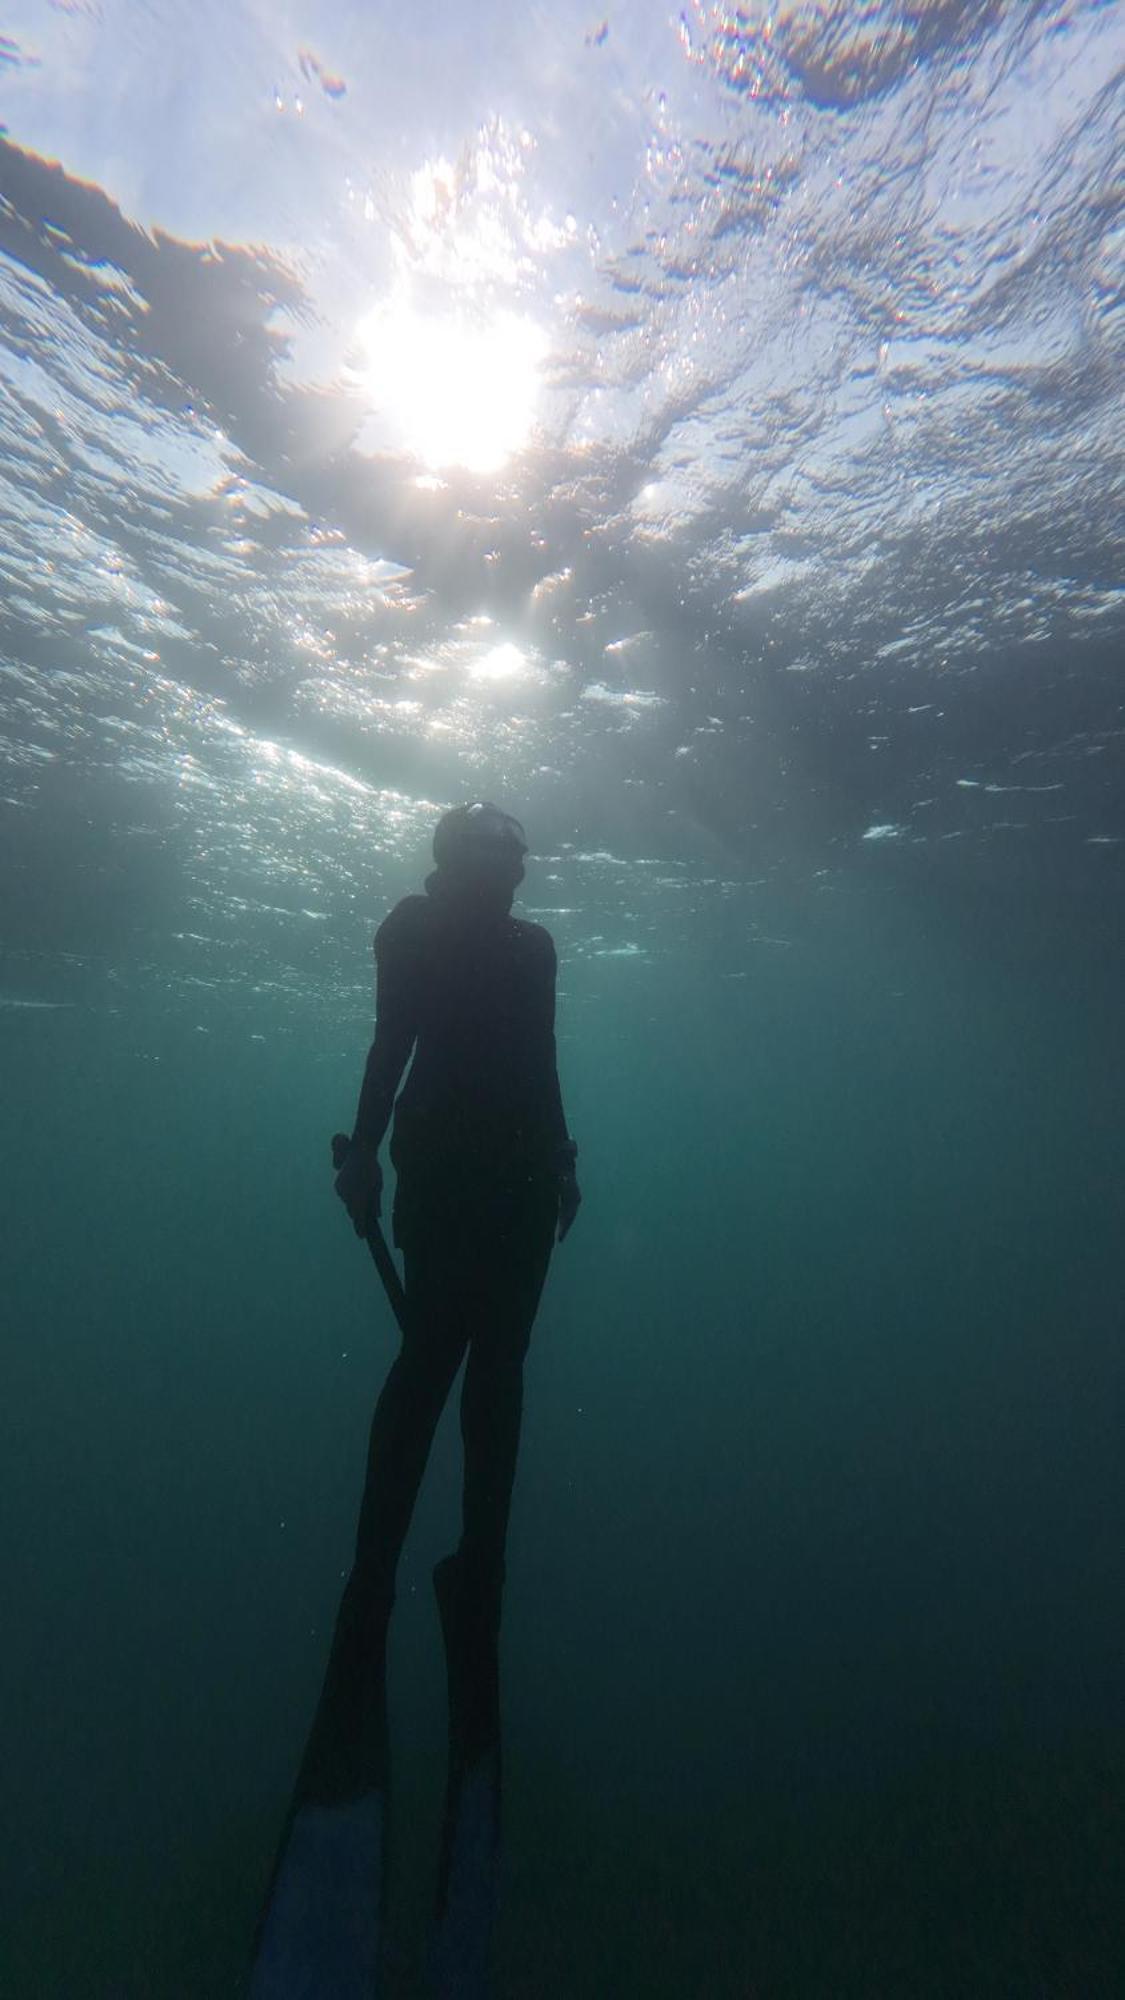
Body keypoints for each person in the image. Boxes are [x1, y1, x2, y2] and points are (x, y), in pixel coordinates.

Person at [254, 801, 578, 1994]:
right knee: (437, 1368)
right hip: (445, 1181)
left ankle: (470, 1564)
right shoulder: (417, 931)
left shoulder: (530, 949)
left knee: (494, 1378)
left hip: (506, 1185)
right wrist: (362, 1146)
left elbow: (540, 1061)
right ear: (451, 866)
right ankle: (381, 1571)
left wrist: (568, 1158)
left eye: (511, 865)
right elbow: (389, 1044)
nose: (500, 880)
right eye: (486, 863)